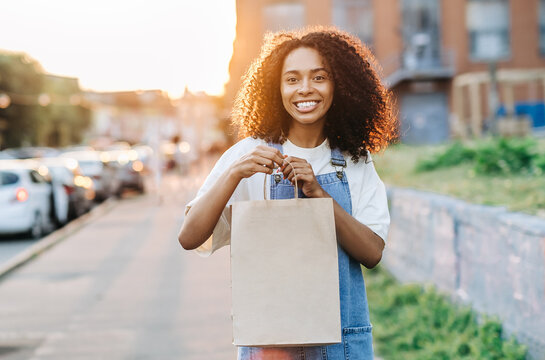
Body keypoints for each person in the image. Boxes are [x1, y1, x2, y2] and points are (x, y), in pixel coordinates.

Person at [178, 26, 398, 360]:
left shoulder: (354, 160)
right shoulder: (249, 154)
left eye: (319, 77)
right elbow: (190, 236)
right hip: (271, 345)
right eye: (292, 79)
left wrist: (319, 195)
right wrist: (234, 173)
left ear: (339, 85)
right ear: (275, 88)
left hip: (343, 342)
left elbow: (372, 253)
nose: (305, 89)